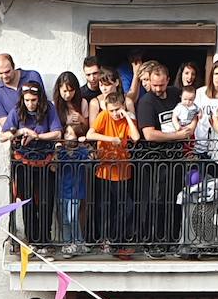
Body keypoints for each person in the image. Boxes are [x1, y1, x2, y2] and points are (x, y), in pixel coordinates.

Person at [134, 62, 192, 253]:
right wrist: (178, 136)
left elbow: (193, 111)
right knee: (156, 201)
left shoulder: (176, 94)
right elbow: (149, 134)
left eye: (161, 84)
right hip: (156, 161)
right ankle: (154, 242)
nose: (158, 89)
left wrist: (191, 128)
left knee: (175, 200)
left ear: (168, 80)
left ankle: (173, 240)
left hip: (176, 160)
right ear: (149, 81)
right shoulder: (146, 102)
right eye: (154, 84)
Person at [1, 83, 60, 246]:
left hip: (45, 162)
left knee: (46, 202)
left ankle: (44, 240)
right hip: (24, 163)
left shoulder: (49, 109)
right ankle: (32, 240)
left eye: (33, 100)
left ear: (39, 99)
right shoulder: (17, 110)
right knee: (26, 202)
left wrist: (37, 137)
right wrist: (22, 131)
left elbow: (57, 132)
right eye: (27, 100)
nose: (30, 104)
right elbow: (3, 136)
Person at [86, 86, 138, 252]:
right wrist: (111, 139)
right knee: (107, 208)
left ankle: (116, 240)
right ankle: (108, 240)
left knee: (127, 207)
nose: (115, 113)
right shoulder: (104, 116)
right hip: (106, 171)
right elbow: (90, 134)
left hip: (123, 171)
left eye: (117, 109)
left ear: (123, 106)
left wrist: (128, 117)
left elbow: (136, 137)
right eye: (112, 110)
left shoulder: (125, 118)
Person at [54, 125, 91, 255]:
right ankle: (67, 243)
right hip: (62, 189)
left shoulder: (81, 151)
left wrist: (84, 144)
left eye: (71, 133)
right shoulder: (62, 151)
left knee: (72, 216)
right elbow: (54, 167)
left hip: (76, 190)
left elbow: (91, 159)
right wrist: (57, 152)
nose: (68, 136)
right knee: (64, 218)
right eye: (67, 133)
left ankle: (78, 242)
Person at [0, 54, 44, 131]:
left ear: (13, 66)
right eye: (0, 73)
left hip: (42, 132)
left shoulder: (33, 76)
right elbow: (5, 124)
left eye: (7, 71)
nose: (4, 76)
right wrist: (24, 132)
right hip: (18, 138)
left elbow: (43, 104)